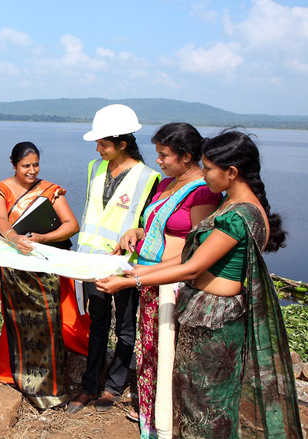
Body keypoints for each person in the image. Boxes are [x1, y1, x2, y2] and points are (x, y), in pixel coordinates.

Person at [96, 129, 301, 438]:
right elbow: (189, 259)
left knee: (207, 406)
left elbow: (192, 266)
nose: (203, 176)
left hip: (216, 320)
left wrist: (132, 280)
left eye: (208, 168)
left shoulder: (239, 216)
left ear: (231, 173)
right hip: (206, 313)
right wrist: (134, 276)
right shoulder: (233, 207)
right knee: (194, 399)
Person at [113, 123, 221, 436]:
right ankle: (151, 418)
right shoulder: (165, 184)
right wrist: (136, 232)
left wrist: (147, 273)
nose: (157, 161)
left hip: (173, 284)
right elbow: (161, 228)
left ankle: (169, 422)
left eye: (164, 155)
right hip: (149, 278)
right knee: (150, 351)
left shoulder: (202, 190)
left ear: (187, 157)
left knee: (170, 353)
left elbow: (195, 249)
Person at [66, 104, 160, 415]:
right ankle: (89, 386)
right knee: (97, 324)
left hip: (126, 266)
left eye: (103, 143)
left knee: (125, 327)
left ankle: (114, 386)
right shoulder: (95, 168)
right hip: (93, 262)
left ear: (122, 144)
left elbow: (152, 223)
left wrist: (138, 230)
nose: (98, 149)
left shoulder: (149, 177)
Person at [0, 141, 82, 409]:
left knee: (49, 319)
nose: (31, 170)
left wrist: (43, 237)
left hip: (44, 266)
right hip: (15, 267)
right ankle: (12, 375)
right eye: (25, 165)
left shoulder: (50, 190)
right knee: (17, 320)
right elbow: (1, 222)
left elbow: (71, 225)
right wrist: (15, 237)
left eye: (35, 164)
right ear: (13, 164)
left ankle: (49, 385)